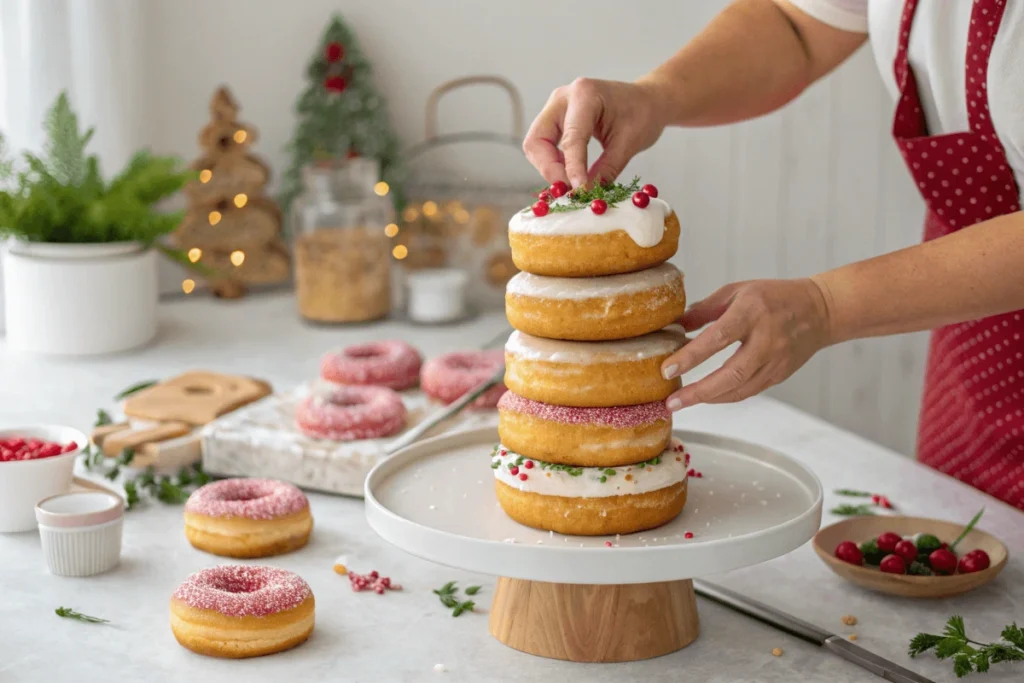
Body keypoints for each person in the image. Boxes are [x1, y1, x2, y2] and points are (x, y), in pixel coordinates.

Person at [522, 0, 1024, 510]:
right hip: (968, 317)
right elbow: (799, 27)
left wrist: (826, 306)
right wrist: (657, 96)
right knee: (972, 543)